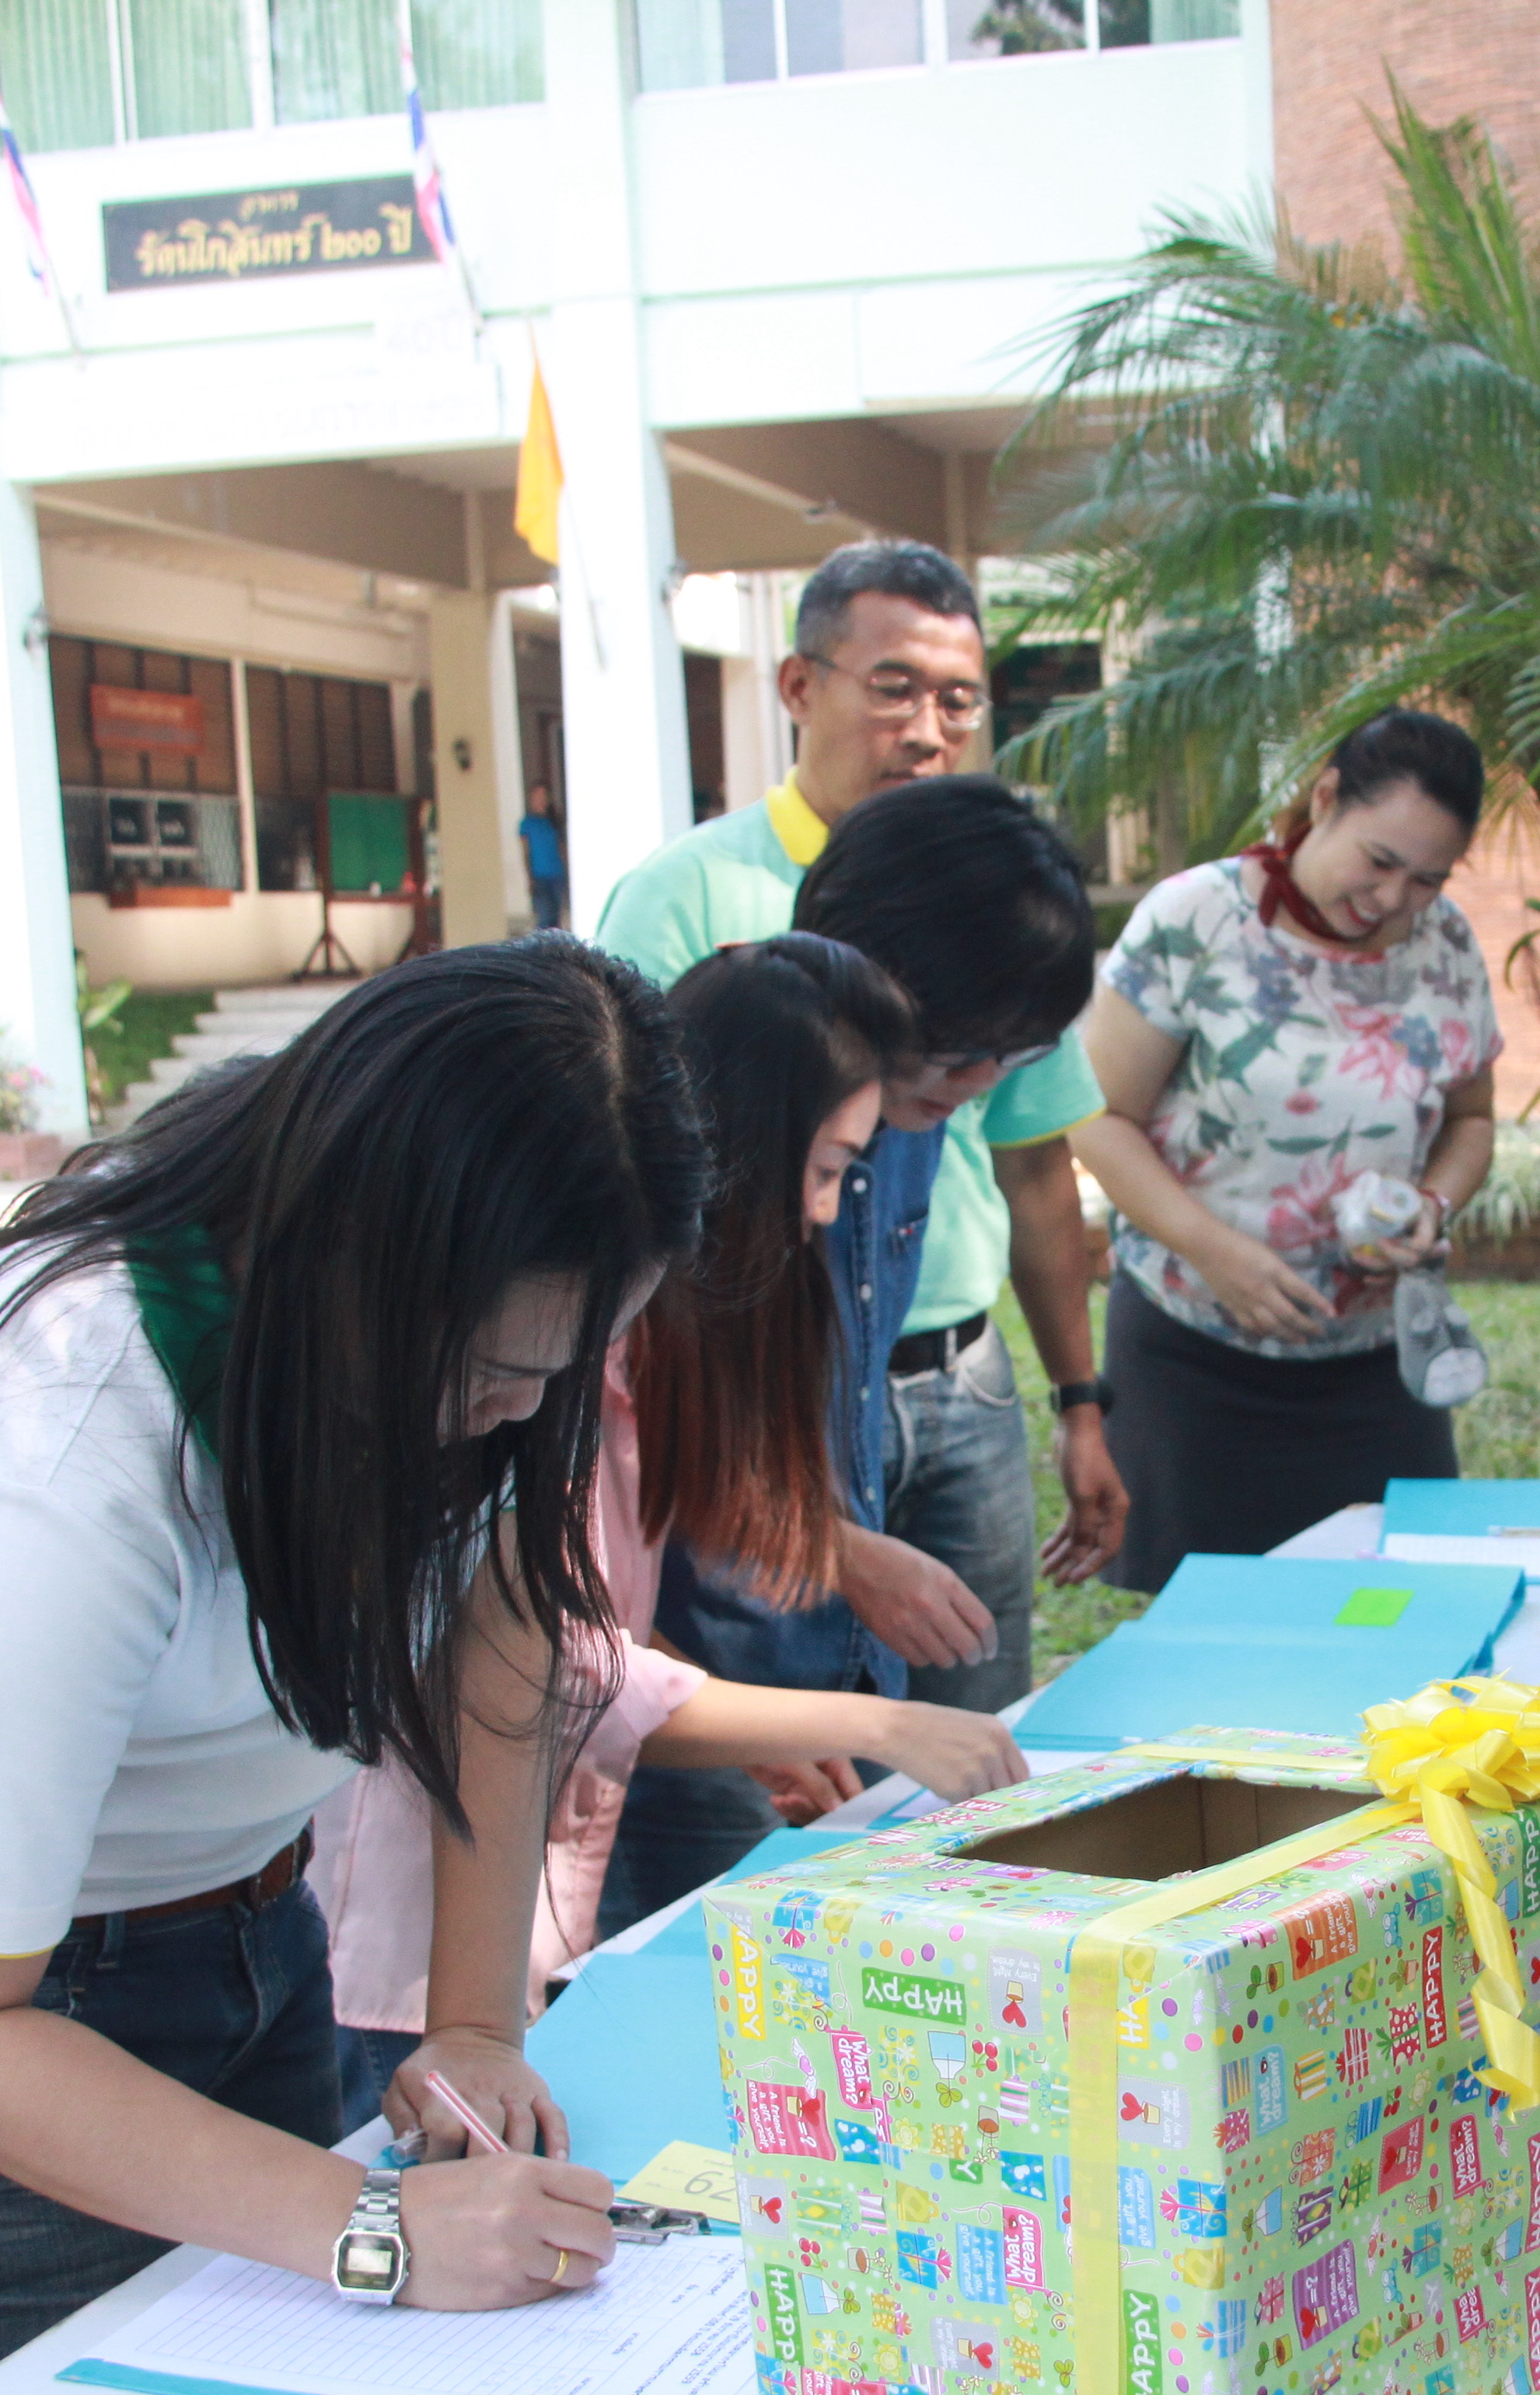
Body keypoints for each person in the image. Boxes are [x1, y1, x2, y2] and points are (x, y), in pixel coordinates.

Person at [0, 940, 713, 2395]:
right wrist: (372, 2226)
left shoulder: (435, 1313)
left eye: (561, 1372)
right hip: (0, 2023)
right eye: (488, 1372)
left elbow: (502, 1619)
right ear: (346, 1255)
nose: (518, 1417)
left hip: (253, 1933)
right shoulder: (58, 1442)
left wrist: (473, 2023)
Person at [315, 937, 1027, 2131]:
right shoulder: (559, 1356)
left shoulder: (650, 1338)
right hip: (404, 1926)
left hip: (483, 1919)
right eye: (823, 1168)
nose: (824, 1211)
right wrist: (870, 1721)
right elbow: (568, 1659)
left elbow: (576, 1648)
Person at [588, 537, 1127, 1721]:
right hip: (694, 1576)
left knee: (941, 1757)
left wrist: (1078, 1400)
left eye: (959, 701)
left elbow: (1037, 1170)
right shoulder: (709, 991)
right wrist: (762, 1683)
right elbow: (635, 1427)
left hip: (932, 1404)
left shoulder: (943, 1034)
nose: (928, 730)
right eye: (894, 687)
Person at [594, 777, 1105, 1927]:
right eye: (966, 1056)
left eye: (1012, 1059)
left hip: (781, 1677)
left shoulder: (895, 1113)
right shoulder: (693, 1156)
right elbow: (628, 1500)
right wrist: (833, 1559)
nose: (979, 1091)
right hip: (686, 1675)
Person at [1069, 710, 1501, 1587]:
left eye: (1427, 879)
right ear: (1327, 797)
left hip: (1378, 1362)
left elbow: (1472, 1122)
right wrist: (1215, 1251)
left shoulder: (1447, 942)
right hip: (1194, 1352)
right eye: (1379, 861)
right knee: (1212, 1630)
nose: (1392, 900)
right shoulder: (1196, 919)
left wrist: (1434, 1205)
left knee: (1391, 1611)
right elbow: (1099, 1119)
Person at [519, 781, 569, 930]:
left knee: (556, 917)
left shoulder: (554, 821)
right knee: (544, 917)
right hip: (540, 877)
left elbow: (562, 847)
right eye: (537, 796)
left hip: (557, 874)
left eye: (543, 796)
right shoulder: (527, 823)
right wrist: (529, 877)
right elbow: (526, 852)